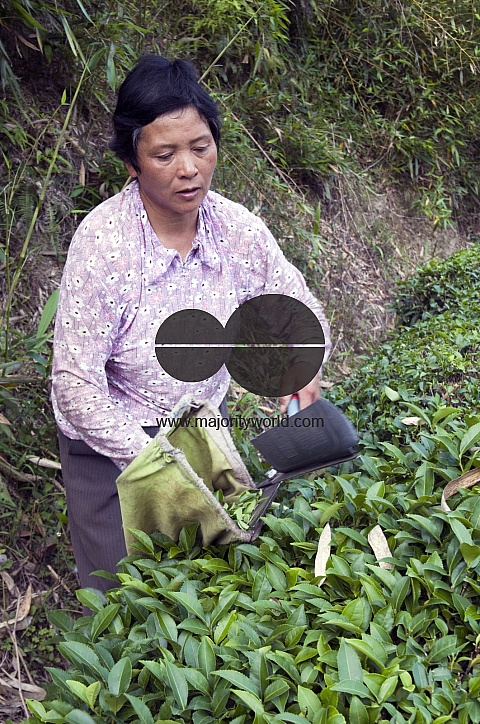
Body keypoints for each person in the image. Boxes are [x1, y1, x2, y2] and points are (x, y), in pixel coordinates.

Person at [52, 55, 332, 594]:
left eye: (201, 147)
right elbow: (75, 385)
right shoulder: (105, 246)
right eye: (165, 154)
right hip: (114, 447)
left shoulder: (235, 230)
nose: (189, 168)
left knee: (209, 591)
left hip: (201, 426)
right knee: (123, 601)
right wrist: (157, 464)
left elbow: (294, 304)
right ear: (132, 162)